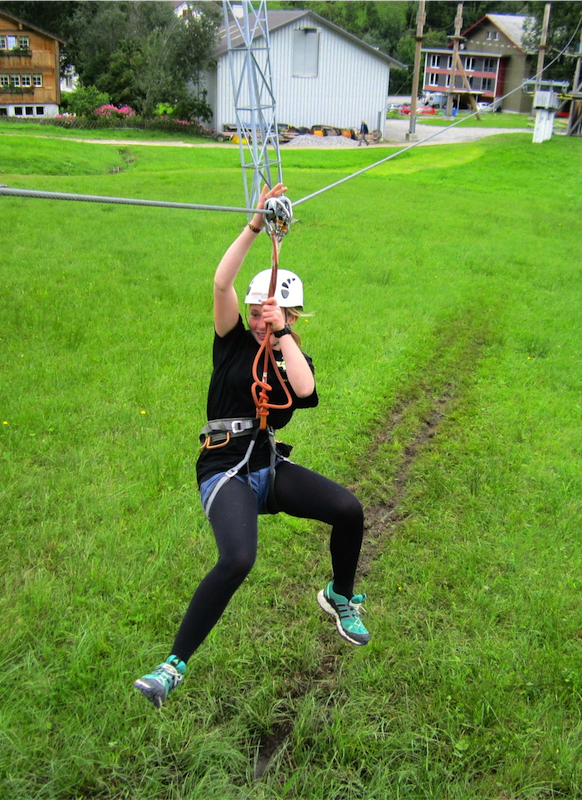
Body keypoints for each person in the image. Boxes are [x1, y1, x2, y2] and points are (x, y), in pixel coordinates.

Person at [134, 183, 371, 709]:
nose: (262, 320)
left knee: (348, 510)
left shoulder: (290, 356)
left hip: (267, 466)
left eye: (274, 314)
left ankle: (339, 595)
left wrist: (282, 334)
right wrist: (254, 226)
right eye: (258, 312)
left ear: (291, 316)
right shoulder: (231, 341)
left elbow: (305, 391)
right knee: (238, 558)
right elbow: (221, 282)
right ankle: (172, 667)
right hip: (224, 467)